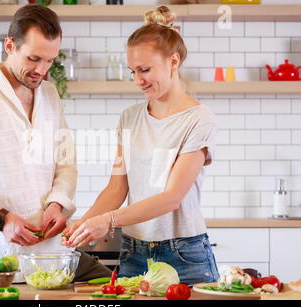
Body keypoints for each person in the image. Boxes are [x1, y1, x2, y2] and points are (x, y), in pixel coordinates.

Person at [0, 4, 110, 282]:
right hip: (5, 262)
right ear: (9, 46)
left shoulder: (50, 95)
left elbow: (66, 164)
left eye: (50, 61)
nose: (41, 70)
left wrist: (57, 205)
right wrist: (0, 219)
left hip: (57, 256)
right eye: (34, 58)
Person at [61, 6, 220, 285]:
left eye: (145, 70)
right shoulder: (130, 118)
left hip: (183, 254)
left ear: (174, 61)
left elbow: (172, 197)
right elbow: (116, 188)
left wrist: (108, 221)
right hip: (134, 253)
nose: (138, 80)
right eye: (133, 71)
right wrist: (83, 224)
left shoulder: (198, 119)